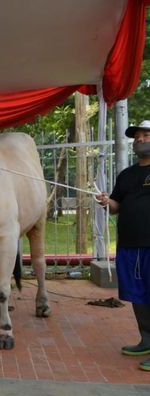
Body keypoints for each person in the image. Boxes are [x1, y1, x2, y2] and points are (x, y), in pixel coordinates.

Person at [96, 119, 150, 372]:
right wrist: (107, 201)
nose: (140, 139)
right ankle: (146, 339)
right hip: (129, 245)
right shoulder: (127, 175)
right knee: (137, 296)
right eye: (137, 136)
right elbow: (116, 208)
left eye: (146, 135)